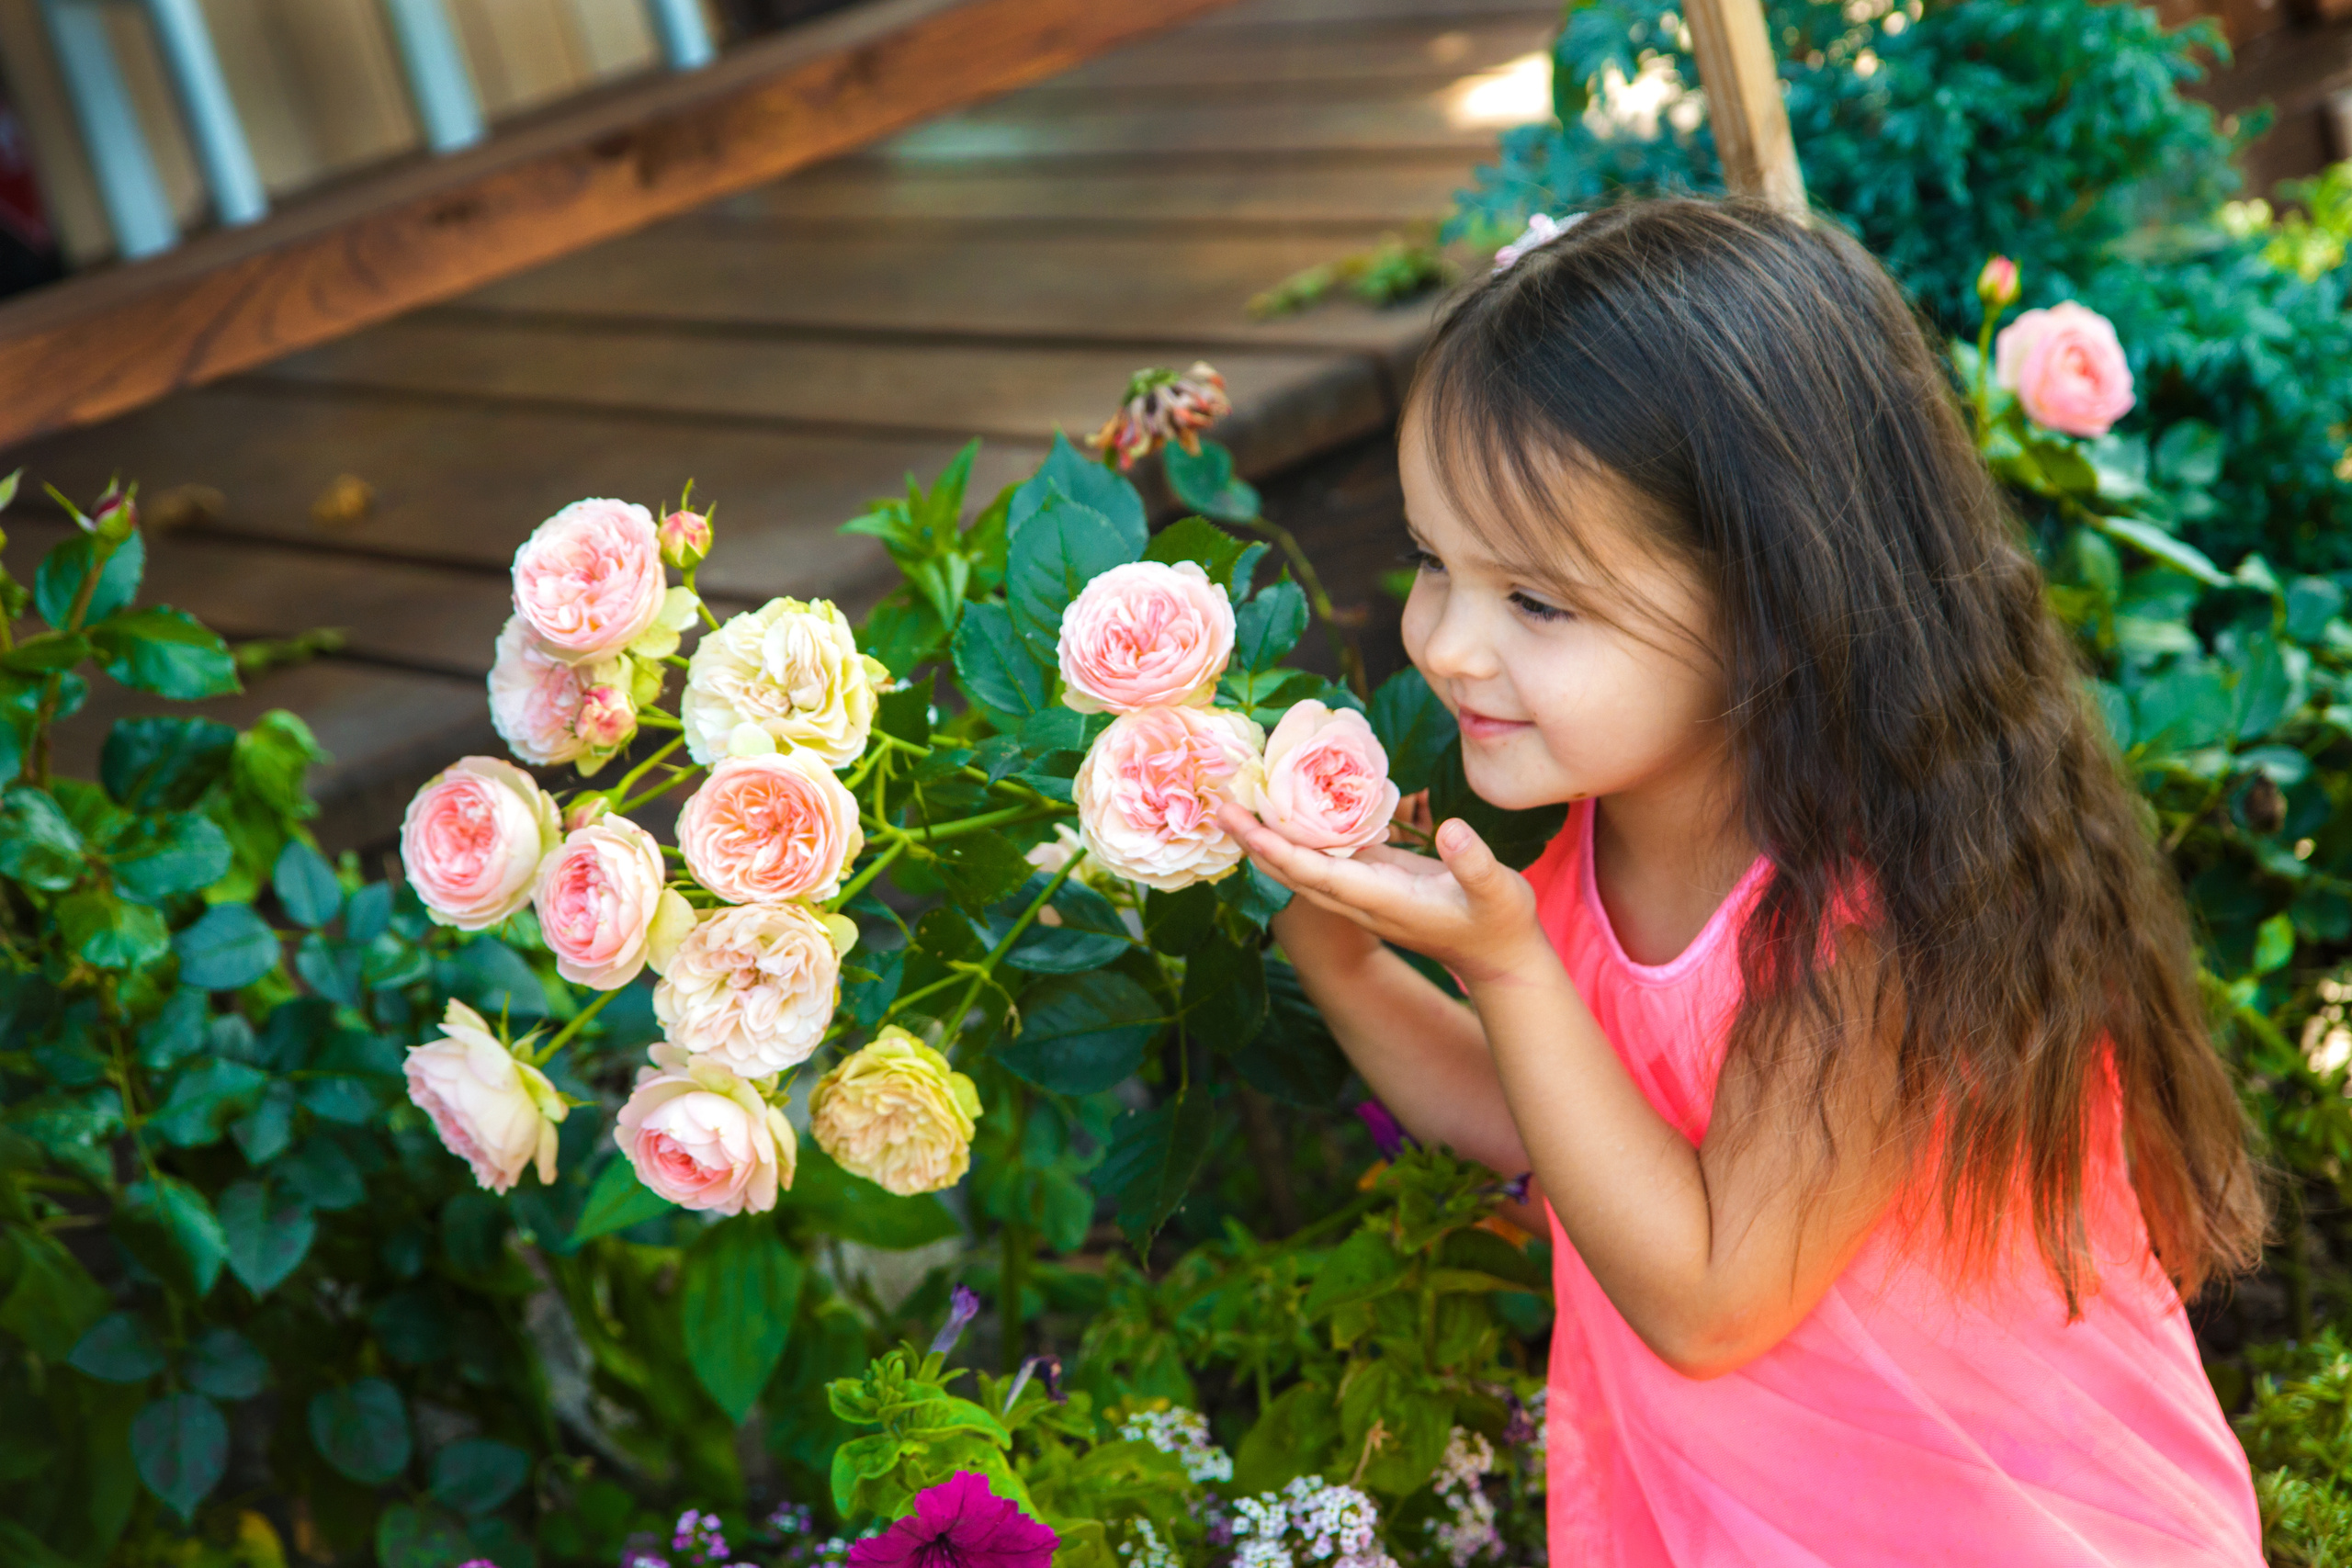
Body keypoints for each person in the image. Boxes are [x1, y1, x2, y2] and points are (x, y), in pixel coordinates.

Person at [1218, 196, 2268, 1566]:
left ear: (1771, 596)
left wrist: (1507, 964)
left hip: (1992, 1528)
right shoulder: (1587, 828)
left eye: (1536, 601)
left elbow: (1710, 1300)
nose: (1450, 645)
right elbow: (1560, 1128)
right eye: (1432, 561)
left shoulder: (1872, 912)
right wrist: (1340, 955)